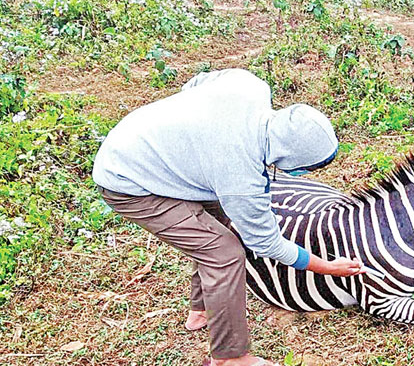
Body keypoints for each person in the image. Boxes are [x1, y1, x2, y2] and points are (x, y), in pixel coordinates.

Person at [92, 69, 364, 366]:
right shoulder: (240, 175)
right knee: (223, 253)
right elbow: (267, 243)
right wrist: (326, 266)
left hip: (137, 139)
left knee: (216, 225)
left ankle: (202, 310)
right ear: (288, 158)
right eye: (306, 169)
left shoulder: (250, 87)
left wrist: (192, 138)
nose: (303, 176)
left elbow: (196, 82)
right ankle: (230, 357)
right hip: (128, 183)